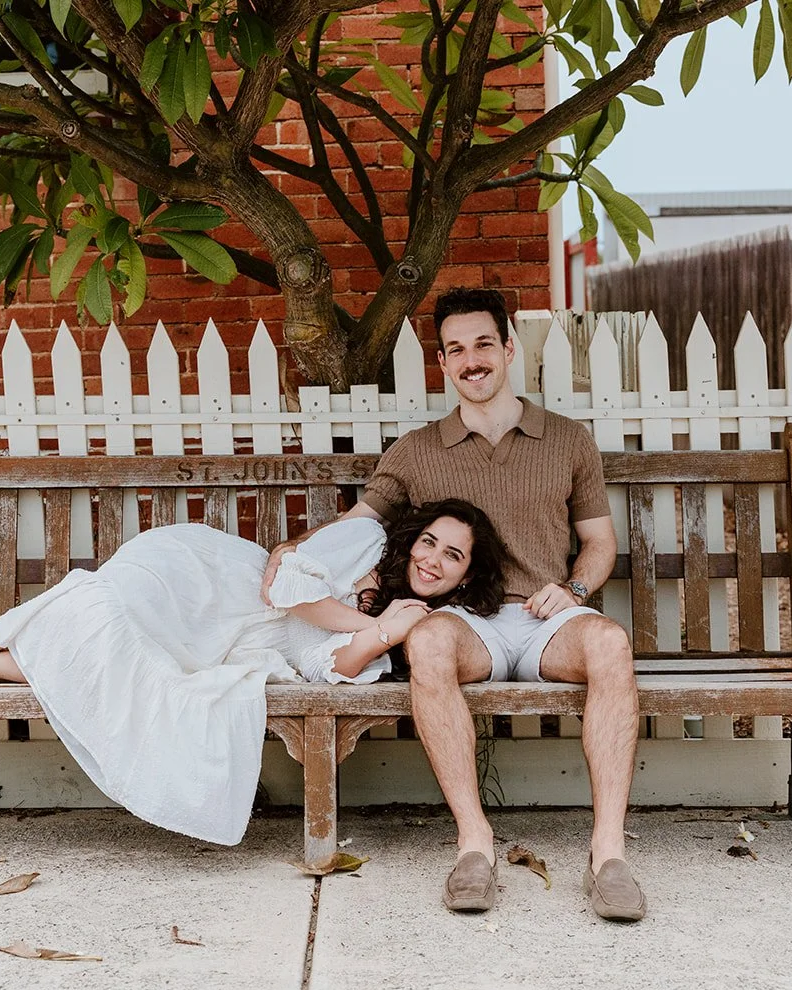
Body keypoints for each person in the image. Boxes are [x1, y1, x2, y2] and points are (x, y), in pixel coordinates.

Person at [262, 287, 645, 921]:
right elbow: (357, 520)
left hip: (550, 620)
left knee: (610, 641)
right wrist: (291, 546)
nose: (472, 360)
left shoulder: (567, 441)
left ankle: (608, 857)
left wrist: (573, 590)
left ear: (508, 348)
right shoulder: (417, 451)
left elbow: (599, 543)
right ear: (443, 362)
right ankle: (475, 846)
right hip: (471, 622)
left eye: (484, 345)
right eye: (456, 349)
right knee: (429, 639)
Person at [0, 499, 509, 847]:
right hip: (210, 581)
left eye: (452, 556)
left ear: (465, 577)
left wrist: (385, 632)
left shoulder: (406, 625)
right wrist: (367, 622)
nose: (433, 559)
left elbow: (330, 667)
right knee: (106, 611)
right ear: (413, 536)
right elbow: (289, 589)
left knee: (114, 662)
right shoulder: (366, 541)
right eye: (430, 541)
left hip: (232, 642)